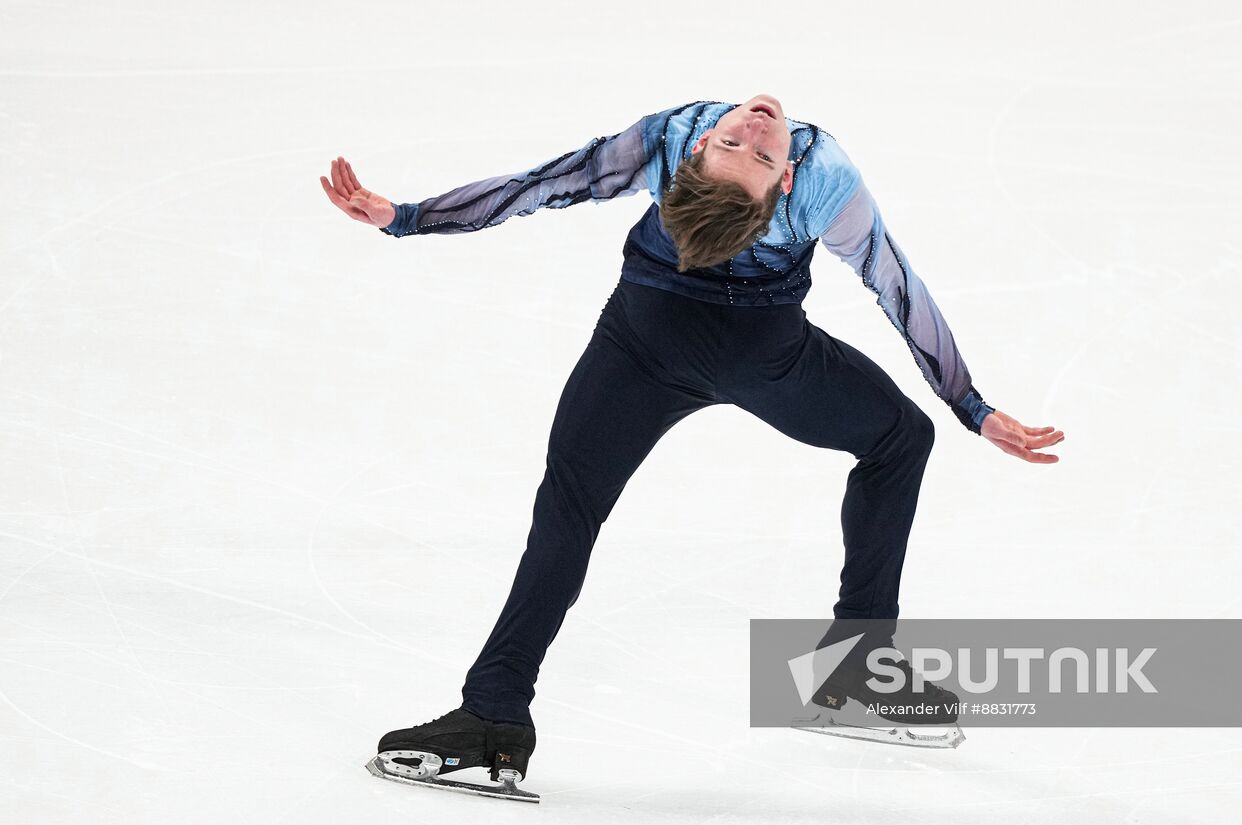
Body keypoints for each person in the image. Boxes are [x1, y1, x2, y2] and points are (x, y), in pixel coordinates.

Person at [321, 95, 1064, 793]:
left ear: (770, 178)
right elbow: (547, 184)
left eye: (758, 151)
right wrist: (405, 217)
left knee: (574, 504)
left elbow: (895, 282)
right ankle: (856, 670)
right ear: (709, 153)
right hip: (697, 348)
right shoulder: (773, 165)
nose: (757, 128)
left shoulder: (717, 151)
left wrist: (408, 220)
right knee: (897, 439)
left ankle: (495, 710)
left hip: (684, 345)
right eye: (740, 144)